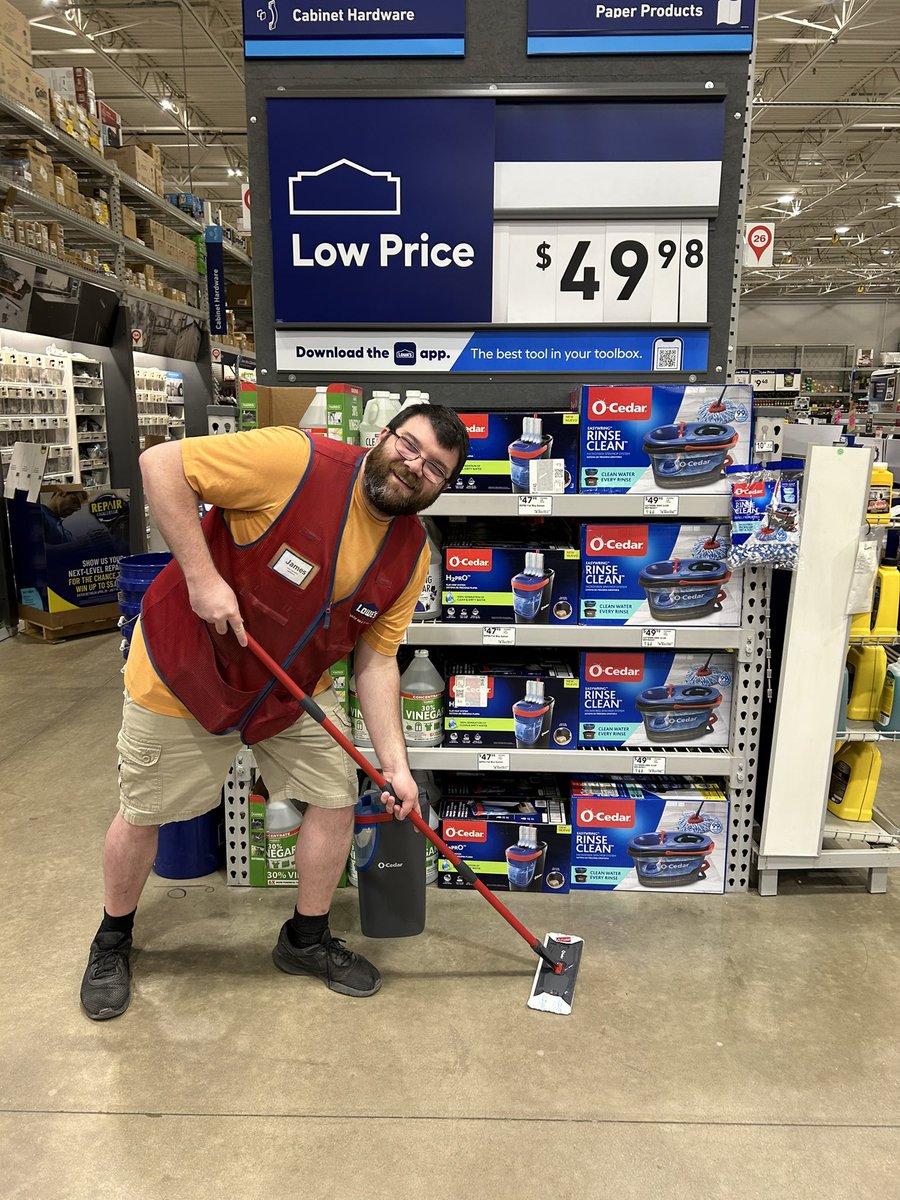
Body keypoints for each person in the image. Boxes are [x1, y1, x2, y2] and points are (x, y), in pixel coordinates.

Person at [80, 404, 469, 1020]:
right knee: (145, 812)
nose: (413, 466)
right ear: (384, 436)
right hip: (184, 673)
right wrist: (203, 579)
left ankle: (304, 941)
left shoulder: (410, 554)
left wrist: (396, 766)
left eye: (434, 469)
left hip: (288, 689)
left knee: (336, 794)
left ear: (441, 489)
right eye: (409, 445)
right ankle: (112, 939)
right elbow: (160, 466)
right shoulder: (298, 461)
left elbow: (375, 662)